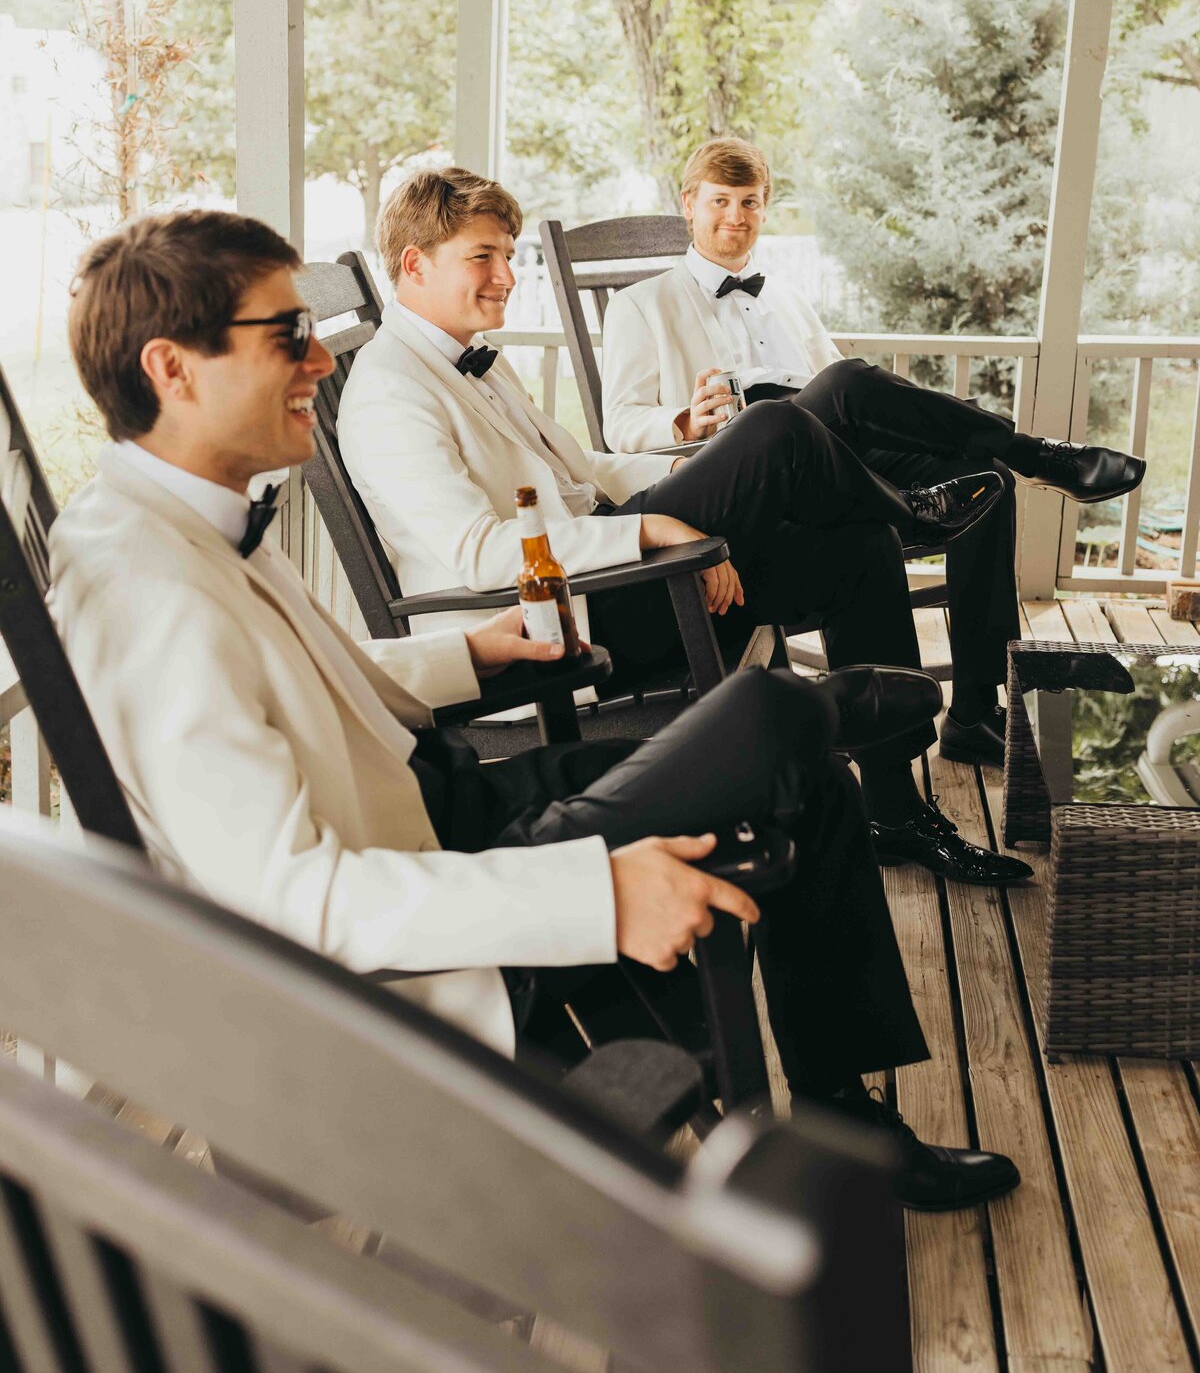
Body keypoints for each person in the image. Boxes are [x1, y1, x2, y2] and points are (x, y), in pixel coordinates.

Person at [50, 207, 1019, 1213]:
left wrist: (467, 651)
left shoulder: (182, 515)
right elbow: (297, 899)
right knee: (774, 725)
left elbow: (307, 675)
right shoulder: (144, 589)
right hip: (434, 898)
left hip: (442, 805)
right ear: (173, 367)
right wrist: (597, 895)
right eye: (286, 336)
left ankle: (845, 1113)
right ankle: (813, 718)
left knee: (789, 753)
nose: (318, 367)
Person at [337, 167, 1031, 887]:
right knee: (774, 428)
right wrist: (655, 534)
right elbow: (481, 553)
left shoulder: (472, 358)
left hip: (613, 573)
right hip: (560, 620)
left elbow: (586, 475)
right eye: (483, 255)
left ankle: (894, 807)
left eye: (509, 254)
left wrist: (676, 498)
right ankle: (917, 505)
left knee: (858, 549)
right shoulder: (391, 390)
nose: (508, 275)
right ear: (413, 263)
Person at [602, 137, 1146, 777]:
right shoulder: (643, 304)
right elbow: (618, 426)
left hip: (826, 462)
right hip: (743, 474)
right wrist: (683, 418)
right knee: (848, 381)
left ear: (765, 208)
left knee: (984, 479)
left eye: (750, 202)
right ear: (689, 204)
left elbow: (848, 406)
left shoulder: (786, 299)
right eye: (720, 201)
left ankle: (974, 707)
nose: (735, 217)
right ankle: (1040, 455)